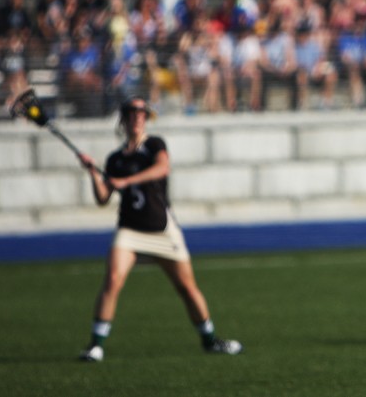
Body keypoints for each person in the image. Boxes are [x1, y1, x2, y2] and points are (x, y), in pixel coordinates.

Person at [77, 97, 242, 362]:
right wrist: (92, 173)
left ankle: (210, 340)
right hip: (129, 229)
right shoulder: (115, 159)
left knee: (187, 288)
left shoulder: (154, 145)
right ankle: (96, 345)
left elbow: (163, 168)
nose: (138, 117)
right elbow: (103, 198)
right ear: (124, 118)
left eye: (142, 112)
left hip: (162, 229)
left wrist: (127, 181)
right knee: (113, 281)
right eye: (132, 112)